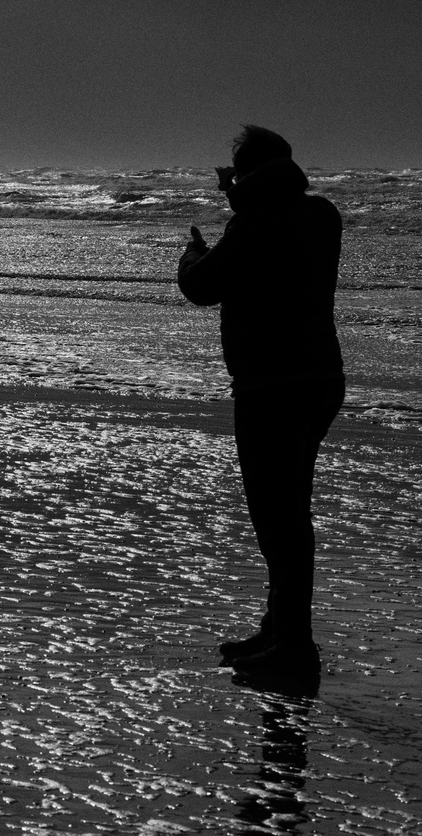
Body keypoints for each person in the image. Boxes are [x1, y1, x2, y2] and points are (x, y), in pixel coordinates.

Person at [178, 126, 344, 680]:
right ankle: (280, 630)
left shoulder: (255, 222)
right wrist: (240, 196)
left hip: (271, 385)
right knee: (290, 509)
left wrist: (190, 253)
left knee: (279, 519)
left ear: (245, 174)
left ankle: (294, 647)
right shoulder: (321, 215)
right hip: (319, 379)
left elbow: (202, 286)